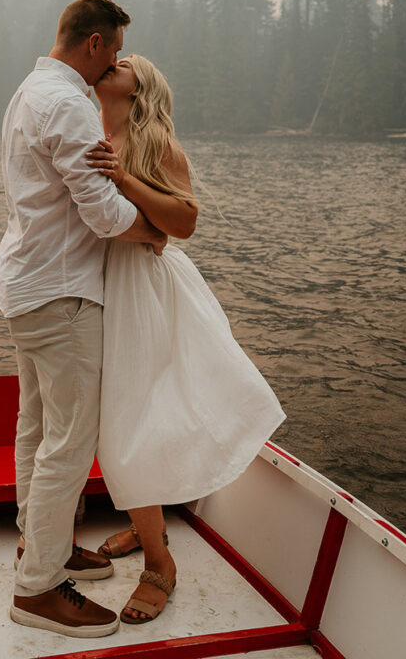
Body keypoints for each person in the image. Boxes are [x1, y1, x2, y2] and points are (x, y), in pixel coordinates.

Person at [87, 54, 286, 625]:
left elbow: (185, 222)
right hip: (93, 286)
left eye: (122, 62)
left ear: (140, 87)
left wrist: (124, 179)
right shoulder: (86, 130)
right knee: (116, 416)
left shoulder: (157, 147)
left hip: (142, 294)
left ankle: (159, 564)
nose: (109, 64)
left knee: (132, 419)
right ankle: (142, 522)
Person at [0, 0, 167, 638]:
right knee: (69, 440)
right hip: (61, 290)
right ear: (93, 45)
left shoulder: (27, 92)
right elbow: (99, 211)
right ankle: (37, 587)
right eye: (115, 51)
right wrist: (155, 230)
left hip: (25, 283)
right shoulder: (68, 103)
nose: (116, 62)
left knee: (36, 427)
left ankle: (41, 546)